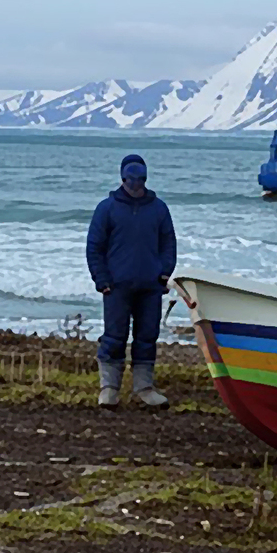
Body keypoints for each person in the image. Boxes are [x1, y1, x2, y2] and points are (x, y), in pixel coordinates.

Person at [86, 154, 177, 410]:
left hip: (150, 286)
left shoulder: (159, 208)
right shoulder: (107, 208)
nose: (135, 185)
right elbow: (94, 247)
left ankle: (144, 388)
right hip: (116, 286)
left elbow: (168, 243)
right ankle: (109, 388)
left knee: (147, 336)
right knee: (114, 337)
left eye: (140, 180)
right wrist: (101, 279)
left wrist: (164, 273)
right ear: (122, 179)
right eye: (131, 180)